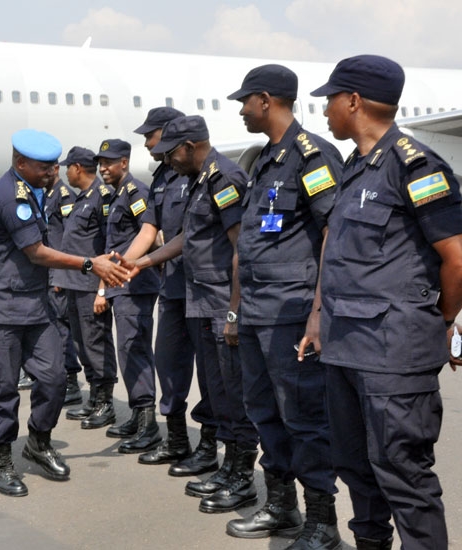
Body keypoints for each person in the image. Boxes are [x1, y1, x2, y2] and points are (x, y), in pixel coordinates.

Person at [310, 55, 462, 550]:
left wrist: (440, 320)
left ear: (353, 101)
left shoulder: (416, 166)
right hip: (346, 348)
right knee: (357, 470)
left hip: (394, 355)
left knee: (404, 477)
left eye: (331, 99)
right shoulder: (356, 166)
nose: (325, 110)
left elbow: (456, 259)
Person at [0, 129, 130, 498]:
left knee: (54, 377)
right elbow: (36, 252)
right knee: (5, 387)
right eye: (44, 167)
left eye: (54, 166)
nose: (52, 172)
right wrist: (91, 264)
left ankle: (38, 440)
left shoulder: (36, 190)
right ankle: (1, 460)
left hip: (32, 303)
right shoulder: (12, 197)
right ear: (21, 163)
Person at [225, 64, 343, 548]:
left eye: (245, 100)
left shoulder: (312, 157)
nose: (241, 108)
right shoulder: (264, 159)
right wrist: (235, 310)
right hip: (256, 310)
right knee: (262, 410)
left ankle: (322, 521)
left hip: (292, 311)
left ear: (267, 100)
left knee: (303, 416)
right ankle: (281, 505)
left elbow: (334, 233)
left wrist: (318, 311)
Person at [131, 115, 260, 512]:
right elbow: (190, 238)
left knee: (236, 393)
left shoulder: (225, 178)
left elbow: (241, 249)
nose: (167, 162)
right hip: (200, 299)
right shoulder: (203, 180)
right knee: (218, 389)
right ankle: (228, 466)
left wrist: (235, 312)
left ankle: (243, 476)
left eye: (171, 154)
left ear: (188, 146)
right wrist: (145, 261)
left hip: (222, 301)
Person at [121, 106, 216, 472]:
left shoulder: (200, 172)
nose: (146, 143)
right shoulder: (162, 177)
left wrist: (139, 263)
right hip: (173, 287)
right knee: (169, 364)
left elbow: (191, 234)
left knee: (212, 374)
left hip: (205, 289)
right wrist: (125, 264)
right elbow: (149, 228)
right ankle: (177, 440)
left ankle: (209, 446)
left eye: (151, 135)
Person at [97, 138, 162, 454]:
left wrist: (126, 267)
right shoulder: (117, 195)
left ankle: (148, 424)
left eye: (109, 162)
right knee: (127, 349)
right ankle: (139, 416)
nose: (103, 168)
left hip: (135, 284)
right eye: (101, 163)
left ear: (124, 162)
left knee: (133, 347)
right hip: (121, 285)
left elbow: (147, 234)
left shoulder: (136, 193)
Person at [55, 146, 119, 429]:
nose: (65, 171)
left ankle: (106, 403)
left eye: (67, 167)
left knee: (97, 344)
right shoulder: (82, 199)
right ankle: (94, 399)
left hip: (91, 286)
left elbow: (109, 247)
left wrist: (103, 289)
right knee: (82, 344)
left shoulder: (101, 198)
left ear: (78, 168)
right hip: (73, 284)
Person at [44, 164, 85, 405]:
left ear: (55, 170)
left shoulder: (64, 196)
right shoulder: (48, 196)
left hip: (58, 273)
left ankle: (71, 381)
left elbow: (69, 237)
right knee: (53, 326)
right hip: (49, 272)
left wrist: (61, 274)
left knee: (62, 328)